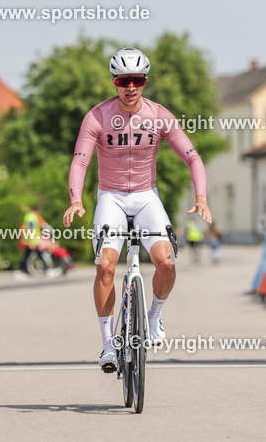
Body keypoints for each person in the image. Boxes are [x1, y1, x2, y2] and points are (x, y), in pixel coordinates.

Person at [64, 47, 211, 373]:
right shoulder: (97, 117)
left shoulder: (159, 115)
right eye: (123, 80)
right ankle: (107, 345)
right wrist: (76, 200)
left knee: (166, 263)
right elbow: (80, 161)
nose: (131, 87)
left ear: (145, 82)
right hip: (111, 197)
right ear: (115, 81)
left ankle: (154, 316)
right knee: (105, 267)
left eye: (138, 80)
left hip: (146, 196)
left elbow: (192, 157)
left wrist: (201, 197)